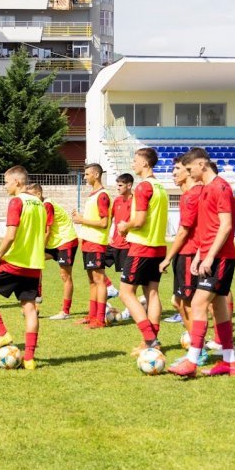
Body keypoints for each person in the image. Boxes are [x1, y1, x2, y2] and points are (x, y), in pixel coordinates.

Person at [168, 147, 235, 377]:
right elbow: (208, 229)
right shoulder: (207, 189)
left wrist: (209, 256)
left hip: (220, 257)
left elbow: (225, 226)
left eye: (190, 169)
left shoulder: (221, 187)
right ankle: (229, 362)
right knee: (218, 308)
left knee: (198, 304)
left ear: (202, 165)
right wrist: (200, 254)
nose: (189, 173)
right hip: (210, 256)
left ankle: (192, 361)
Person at [0, 166, 47, 369]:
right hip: (34, 265)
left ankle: (1, 333)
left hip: (14, 262)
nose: (4, 186)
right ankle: (30, 359)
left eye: (6, 181)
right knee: (30, 308)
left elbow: (11, 235)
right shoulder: (40, 204)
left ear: (17, 182)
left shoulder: (17, 202)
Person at [117, 148, 168, 356]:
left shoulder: (143, 187)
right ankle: (150, 340)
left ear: (145, 163)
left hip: (142, 247)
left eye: (135, 160)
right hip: (158, 247)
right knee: (152, 293)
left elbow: (139, 221)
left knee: (126, 293)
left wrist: (124, 226)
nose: (133, 164)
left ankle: (150, 339)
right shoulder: (160, 187)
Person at [159, 154, 203, 338]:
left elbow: (184, 231)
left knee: (186, 303)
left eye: (177, 169)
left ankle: (198, 347)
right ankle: (198, 341)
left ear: (189, 170)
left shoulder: (192, 195)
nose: (173, 173)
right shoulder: (192, 194)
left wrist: (167, 258)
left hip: (189, 254)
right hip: (191, 254)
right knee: (179, 302)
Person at [25, 183, 77, 321]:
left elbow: (47, 231)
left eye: (31, 196)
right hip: (55, 242)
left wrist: (39, 248)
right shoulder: (38, 206)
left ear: (38, 194)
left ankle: (65, 312)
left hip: (66, 240)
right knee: (35, 262)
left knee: (65, 276)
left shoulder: (47, 205)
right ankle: (38, 296)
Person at [72, 163, 112, 329]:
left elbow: (103, 223)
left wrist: (82, 220)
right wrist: (80, 218)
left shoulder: (102, 195)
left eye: (87, 174)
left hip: (97, 243)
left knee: (99, 280)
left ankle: (100, 319)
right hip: (88, 243)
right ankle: (92, 315)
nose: (85, 176)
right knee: (92, 281)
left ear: (96, 175)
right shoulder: (93, 195)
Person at [106, 173, 133, 301]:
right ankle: (109, 287)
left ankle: (131, 305)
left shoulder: (135, 202)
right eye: (117, 185)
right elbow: (110, 218)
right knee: (95, 265)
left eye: (120, 185)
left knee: (126, 279)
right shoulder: (116, 200)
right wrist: (108, 235)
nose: (118, 188)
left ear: (129, 185)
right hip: (113, 244)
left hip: (127, 245)